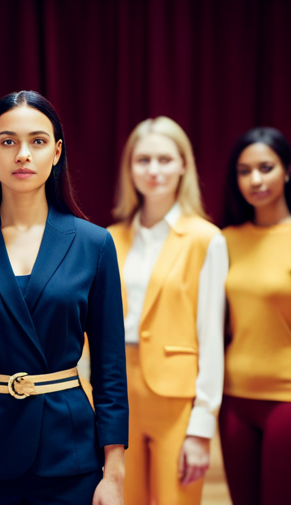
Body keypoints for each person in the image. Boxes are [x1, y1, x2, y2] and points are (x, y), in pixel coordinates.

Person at [0, 90, 129, 505]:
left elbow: (110, 370)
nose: (22, 155)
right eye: (8, 141)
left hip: (68, 454)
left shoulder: (94, 244)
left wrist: (115, 473)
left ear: (56, 152)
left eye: (36, 141)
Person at [107, 116, 228, 505]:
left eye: (164, 159)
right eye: (143, 160)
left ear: (183, 166)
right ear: (130, 169)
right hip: (117, 393)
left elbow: (211, 335)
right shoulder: (110, 238)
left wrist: (202, 427)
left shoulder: (205, 239)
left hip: (176, 399)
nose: (154, 170)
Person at [220, 127, 291, 505]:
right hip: (234, 398)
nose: (256, 179)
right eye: (244, 171)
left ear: (287, 170)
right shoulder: (226, 239)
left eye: (266, 167)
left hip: (286, 398)